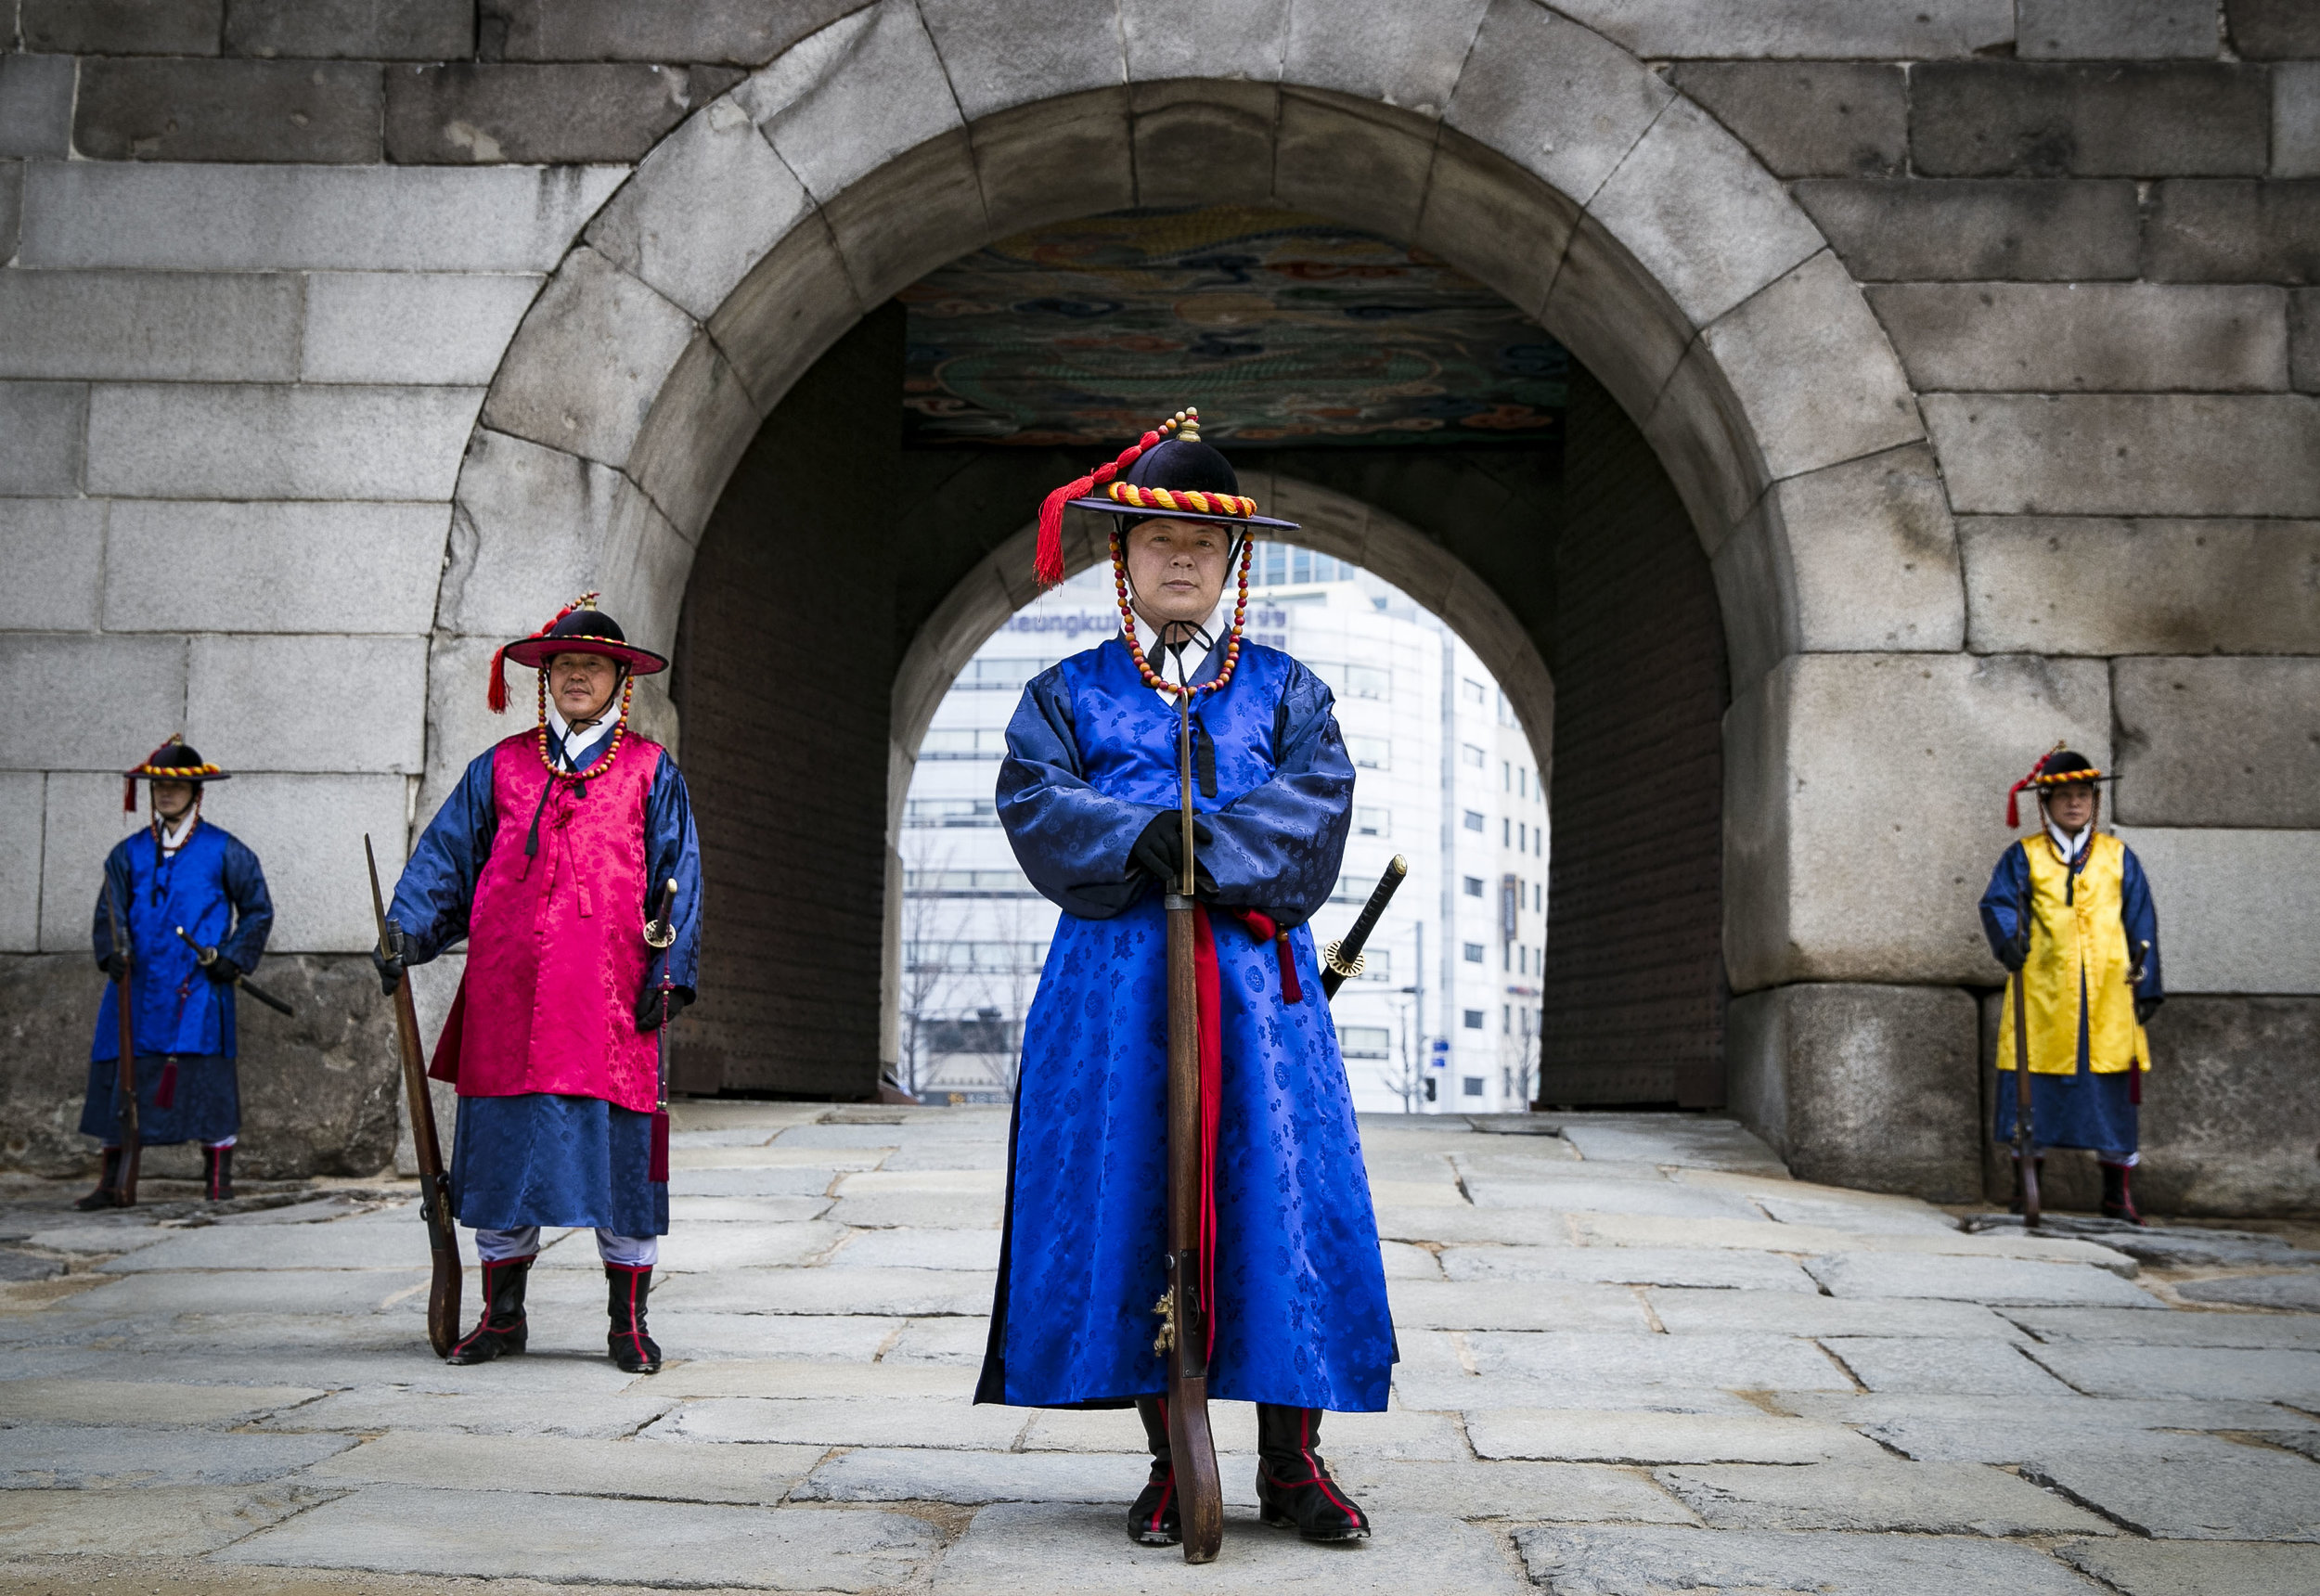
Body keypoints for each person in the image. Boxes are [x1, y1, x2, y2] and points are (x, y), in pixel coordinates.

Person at [973, 408, 1393, 1544]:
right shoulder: (1065, 692)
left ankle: (1294, 1462)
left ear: (1231, 563)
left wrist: (1197, 848)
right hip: (1117, 995)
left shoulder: (1288, 692)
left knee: (1281, 1200)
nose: (1177, 561)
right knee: (1134, 1196)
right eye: (1156, 540)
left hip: (1258, 999)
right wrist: (1128, 839)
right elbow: (1032, 796)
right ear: (1123, 555)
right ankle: (1173, 1454)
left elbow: (1317, 803)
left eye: (1199, 548)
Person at [377, 595, 701, 1371]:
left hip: (609, 1003)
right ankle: (502, 1316)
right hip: (506, 996)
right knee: (501, 1157)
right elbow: (446, 862)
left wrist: (670, 974)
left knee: (622, 1159)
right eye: (565, 665)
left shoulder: (651, 772)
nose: (578, 676)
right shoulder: (499, 769)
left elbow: (679, 879)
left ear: (621, 680)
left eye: (594, 665)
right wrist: (406, 927)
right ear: (545, 677)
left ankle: (628, 1324)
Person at [77, 738, 275, 1208]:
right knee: (121, 1076)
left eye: (177, 787)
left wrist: (231, 955)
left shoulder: (226, 850)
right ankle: (112, 1181)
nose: (166, 795)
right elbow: (110, 912)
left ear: (196, 792)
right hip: (137, 986)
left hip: (197, 988)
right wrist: (114, 953)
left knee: (205, 1082)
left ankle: (217, 1181)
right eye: (158, 787)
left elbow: (257, 910)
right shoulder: (126, 854)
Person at [1979, 747, 2163, 1224]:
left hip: (2108, 992)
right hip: (2044, 994)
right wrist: (2009, 942)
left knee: (2109, 1089)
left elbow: (2140, 922)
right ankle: (2026, 1187)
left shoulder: (2119, 858)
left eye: (2083, 795)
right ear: (2047, 804)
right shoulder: (2024, 857)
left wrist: (2146, 986)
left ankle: (2115, 1193)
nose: (2075, 804)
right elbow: (1999, 905)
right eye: (2065, 796)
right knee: (2032, 1084)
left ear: (2095, 802)